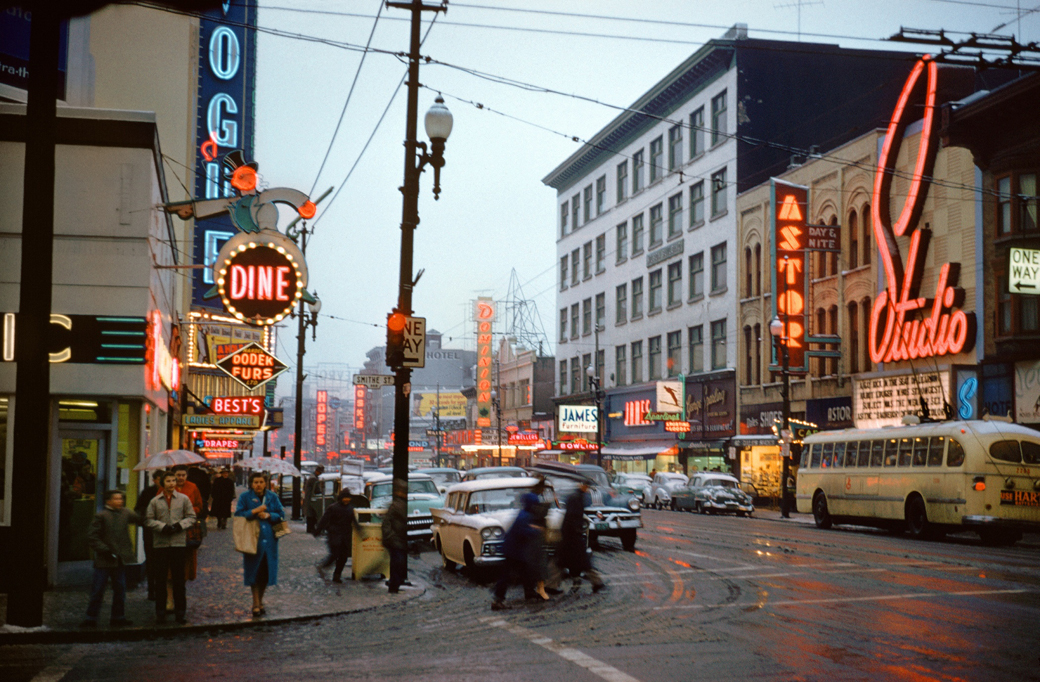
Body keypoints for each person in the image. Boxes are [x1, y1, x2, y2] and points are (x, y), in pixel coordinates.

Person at [82, 490, 141, 627]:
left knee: (120, 590)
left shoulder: (125, 513)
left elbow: (140, 519)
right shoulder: (101, 516)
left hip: (119, 559)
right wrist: (105, 550)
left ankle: (118, 617)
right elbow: (92, 536)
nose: (120, 501)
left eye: (121, 499)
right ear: (108, 501)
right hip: (105, 560)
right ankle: (90, 618)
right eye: (116, 499)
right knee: (98, 590)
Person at [146, 471, 196, 623]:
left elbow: (191, 517)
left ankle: (180, 612)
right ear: (163, 483)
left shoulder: (183, 499)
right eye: (168, 481)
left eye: (174, 480)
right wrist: (161, 527)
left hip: (178, 543)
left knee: (179, 580)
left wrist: (179, 526)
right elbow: (148, 520)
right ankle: (160, 612)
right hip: (160, 544)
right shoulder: (155, 501)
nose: (172, 483)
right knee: (160, 580)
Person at [235, 472, 285, 617]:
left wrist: (269, 515)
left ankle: (260, 601)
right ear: (251, 484)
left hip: (269, 541)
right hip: (252, 539)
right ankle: (255, 603)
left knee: (265, 573)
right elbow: (239, 514)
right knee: (254, 572)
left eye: (261, 482)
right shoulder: (245, 497)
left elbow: (281, 514)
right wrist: (254, 511)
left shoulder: (272, 497)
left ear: (265, 483)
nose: (258, 485)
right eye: (255, 482)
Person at [492, 487, 547, 610]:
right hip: (513, 551)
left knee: (525, 571)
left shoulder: (523, 514)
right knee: (506, 576)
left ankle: (528, 592)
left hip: (514, 550)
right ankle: (498, 600)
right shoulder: (525, 516)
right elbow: (523, 531)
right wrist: (536, 530)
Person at [559, 479, 606, 593]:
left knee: (565, 560)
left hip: (570, 534)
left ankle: (585, 581)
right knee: (580, 561)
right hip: (572, 535)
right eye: (586, 486)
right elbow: (573, 517)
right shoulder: (577, 498)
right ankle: (595, 582)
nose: (587, 489)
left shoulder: (576, 497)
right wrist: (578, 529)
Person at [315, 488, 359, 583]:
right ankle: (325, 565)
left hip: (345, 536)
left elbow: (354, 521)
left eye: (348, 498)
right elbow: (324, 520)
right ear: (341, 498)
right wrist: (318, 530)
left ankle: (337, 575)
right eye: (345, 498)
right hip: (334, 535)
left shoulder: (350, 509)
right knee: (335, 554)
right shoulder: (333, 508)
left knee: (343, 557)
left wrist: (360, 530)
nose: (347, 500)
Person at [135, 470, 165, 600]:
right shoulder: (147, 493)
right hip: (151, 532)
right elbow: (138, 509)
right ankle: (152, 589)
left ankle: (163, 590)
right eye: (160, 479)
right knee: (151, 561)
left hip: (165, 532)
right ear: (154, 480)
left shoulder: (171, 493)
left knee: (163, 562)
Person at [381, 479, 408, 593]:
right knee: (397, 563)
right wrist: (390, 536)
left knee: (397, 563)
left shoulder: (398, 504)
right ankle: (394, 586)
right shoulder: (396, 505)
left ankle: (394, 584)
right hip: (396, 539)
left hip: (398, 539)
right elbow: (386, 523)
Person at [303, 464, 325, 534]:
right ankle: (310, 529)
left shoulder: (312, 476)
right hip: (310, 499)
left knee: (310, 515)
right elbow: (317, 490)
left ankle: (310, 528)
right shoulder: (313, 479)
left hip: (309, 498)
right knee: (311, 515)